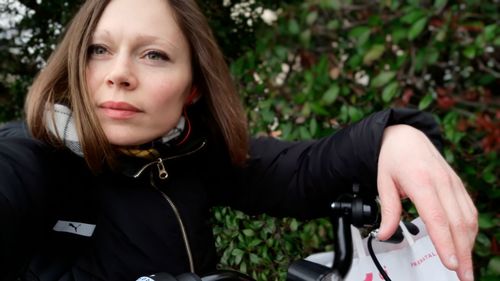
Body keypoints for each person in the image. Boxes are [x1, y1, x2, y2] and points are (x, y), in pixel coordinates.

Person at [0, 0, 477, 280]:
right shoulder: (33, 157)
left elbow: (302, 170)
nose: (119, 74)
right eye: (98, 50)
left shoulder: (192, 153)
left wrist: (390, 138)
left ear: (191, 89)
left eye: (153, 54)